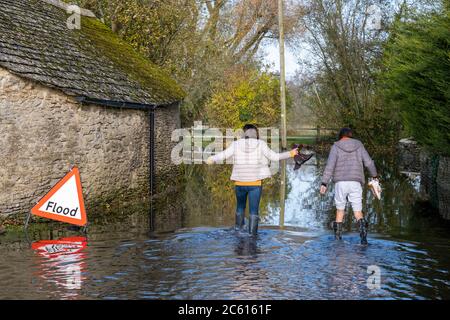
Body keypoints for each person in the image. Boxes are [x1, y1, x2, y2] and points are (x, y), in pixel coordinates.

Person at [206, 124, 298, 236]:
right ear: (256, 134)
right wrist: (291, 153)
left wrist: (212, 159)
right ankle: (252, 236)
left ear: (244, 134)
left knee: (240, 207)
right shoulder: (261, 144)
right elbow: (274, 157)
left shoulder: (235, 144)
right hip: (255, 184)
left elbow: (223, 155)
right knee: (254, 211)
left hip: (239, 183)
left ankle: (238, 231)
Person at [320, 127, 378, 244]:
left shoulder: (336, 146)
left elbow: (330, 166)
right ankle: (363, 239)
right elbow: (368, 162)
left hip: (340, 183)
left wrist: (324, 183)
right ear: (351, 136)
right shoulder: (359, 145)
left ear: (340, 136)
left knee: (340, 210)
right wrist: (375, 176)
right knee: (358, 212)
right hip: (356, 183)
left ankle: (337, 240)